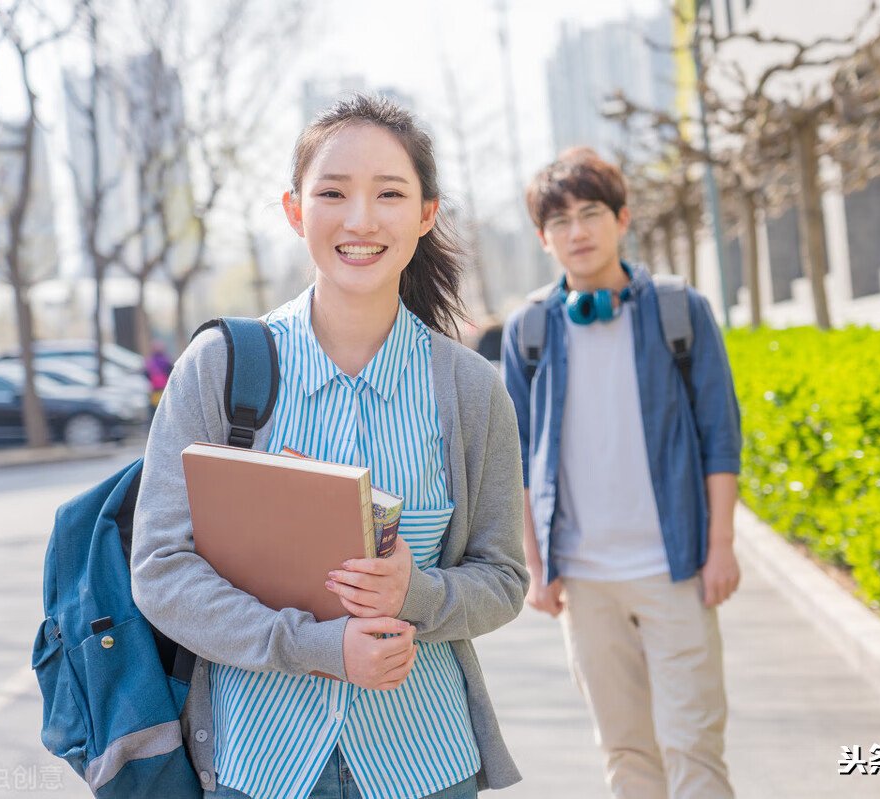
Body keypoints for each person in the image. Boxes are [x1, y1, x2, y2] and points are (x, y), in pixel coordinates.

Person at [131, 95, 527, 799]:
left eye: (390, 194)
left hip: (425, 762)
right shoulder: (219, 368)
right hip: (261, 764)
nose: (361, 219)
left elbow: (502, 578)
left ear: (426, 214)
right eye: (333, 193)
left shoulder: (470, 389)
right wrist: (315, 648)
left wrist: (418, 592)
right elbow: (162, 567)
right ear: (295, 211)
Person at [501, 147, 743, 799]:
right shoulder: (529, 329)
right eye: (559, 221)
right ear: (544, 239)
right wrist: (536, 562)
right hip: (585, 579)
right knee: (627, 753)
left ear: (622, 218)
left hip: (676, 569)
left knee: (694, 748)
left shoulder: (678, 311)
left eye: (590, 213)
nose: (577, 231)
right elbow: (518, 456)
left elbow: (721, 434)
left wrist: (721, 547)